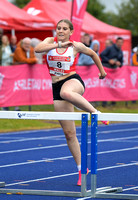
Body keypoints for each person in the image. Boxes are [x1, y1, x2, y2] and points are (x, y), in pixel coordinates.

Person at [35, 19, 109, 186]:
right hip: (56, 86)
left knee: (66, 92)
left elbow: (93, 54)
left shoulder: (76, 46)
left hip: (73, 81)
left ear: (70, 32)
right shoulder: (49, 42)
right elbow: (37, 49)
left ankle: (95, 112)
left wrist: (102, 71)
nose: (61, 31)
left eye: (65, 29)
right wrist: (57, 45)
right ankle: (82, 169)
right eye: (59, 28)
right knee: (69, 134)